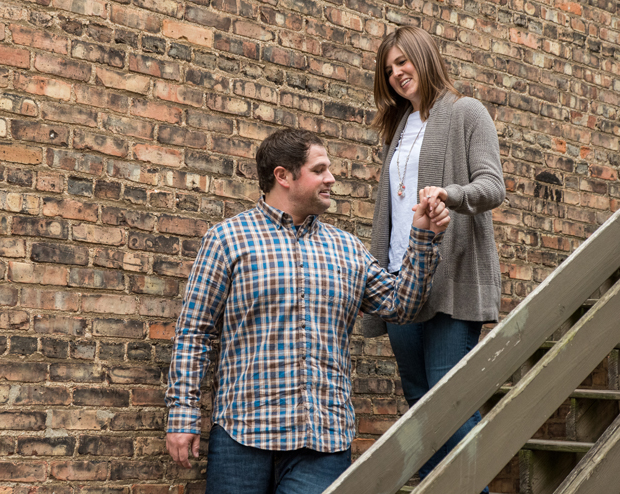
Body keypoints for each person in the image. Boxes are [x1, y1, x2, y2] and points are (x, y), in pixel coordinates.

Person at [166, 128, 451, 494]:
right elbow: (194, 332)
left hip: (322, 442)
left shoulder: (347, 249)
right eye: (319, 170)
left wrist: (423, 237)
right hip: (243, 433)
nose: (331, 178)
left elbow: (400, 305)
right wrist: (182, 414)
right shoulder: (227, 240)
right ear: (283, 176)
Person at [367, 25, 505, 488]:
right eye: (389, 70)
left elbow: (493, 187)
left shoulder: (467, 112)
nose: (396, 74)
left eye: (403, 62)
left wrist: (450, 192)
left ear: (425, 57)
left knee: (448, 401)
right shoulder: (399, 128)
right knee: (418, 401)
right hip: (403, 282)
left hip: (451, 280)